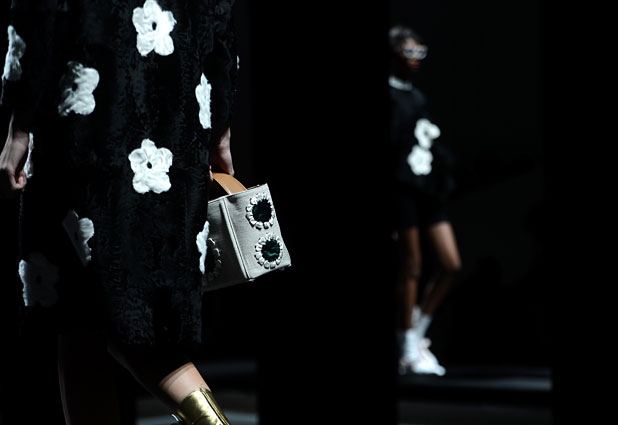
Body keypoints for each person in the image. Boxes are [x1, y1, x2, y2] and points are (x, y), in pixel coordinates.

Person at [0, 1, 238, 424]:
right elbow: (221, 14)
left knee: (88, 311)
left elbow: (38, 11)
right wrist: (220, 126)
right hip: (176, 112)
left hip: (90, 108)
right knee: (98, 314)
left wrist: (19, 124)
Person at [388, 25, 462, 376]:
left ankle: (417, 332)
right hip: (402, 190)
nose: (416, 58)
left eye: (421, 52)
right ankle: (407, 346)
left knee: (450, 263)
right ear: (394, 54)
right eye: (409, 52)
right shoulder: (390, 95)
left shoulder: (417, 96)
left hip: (428, 186)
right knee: (412, 265)